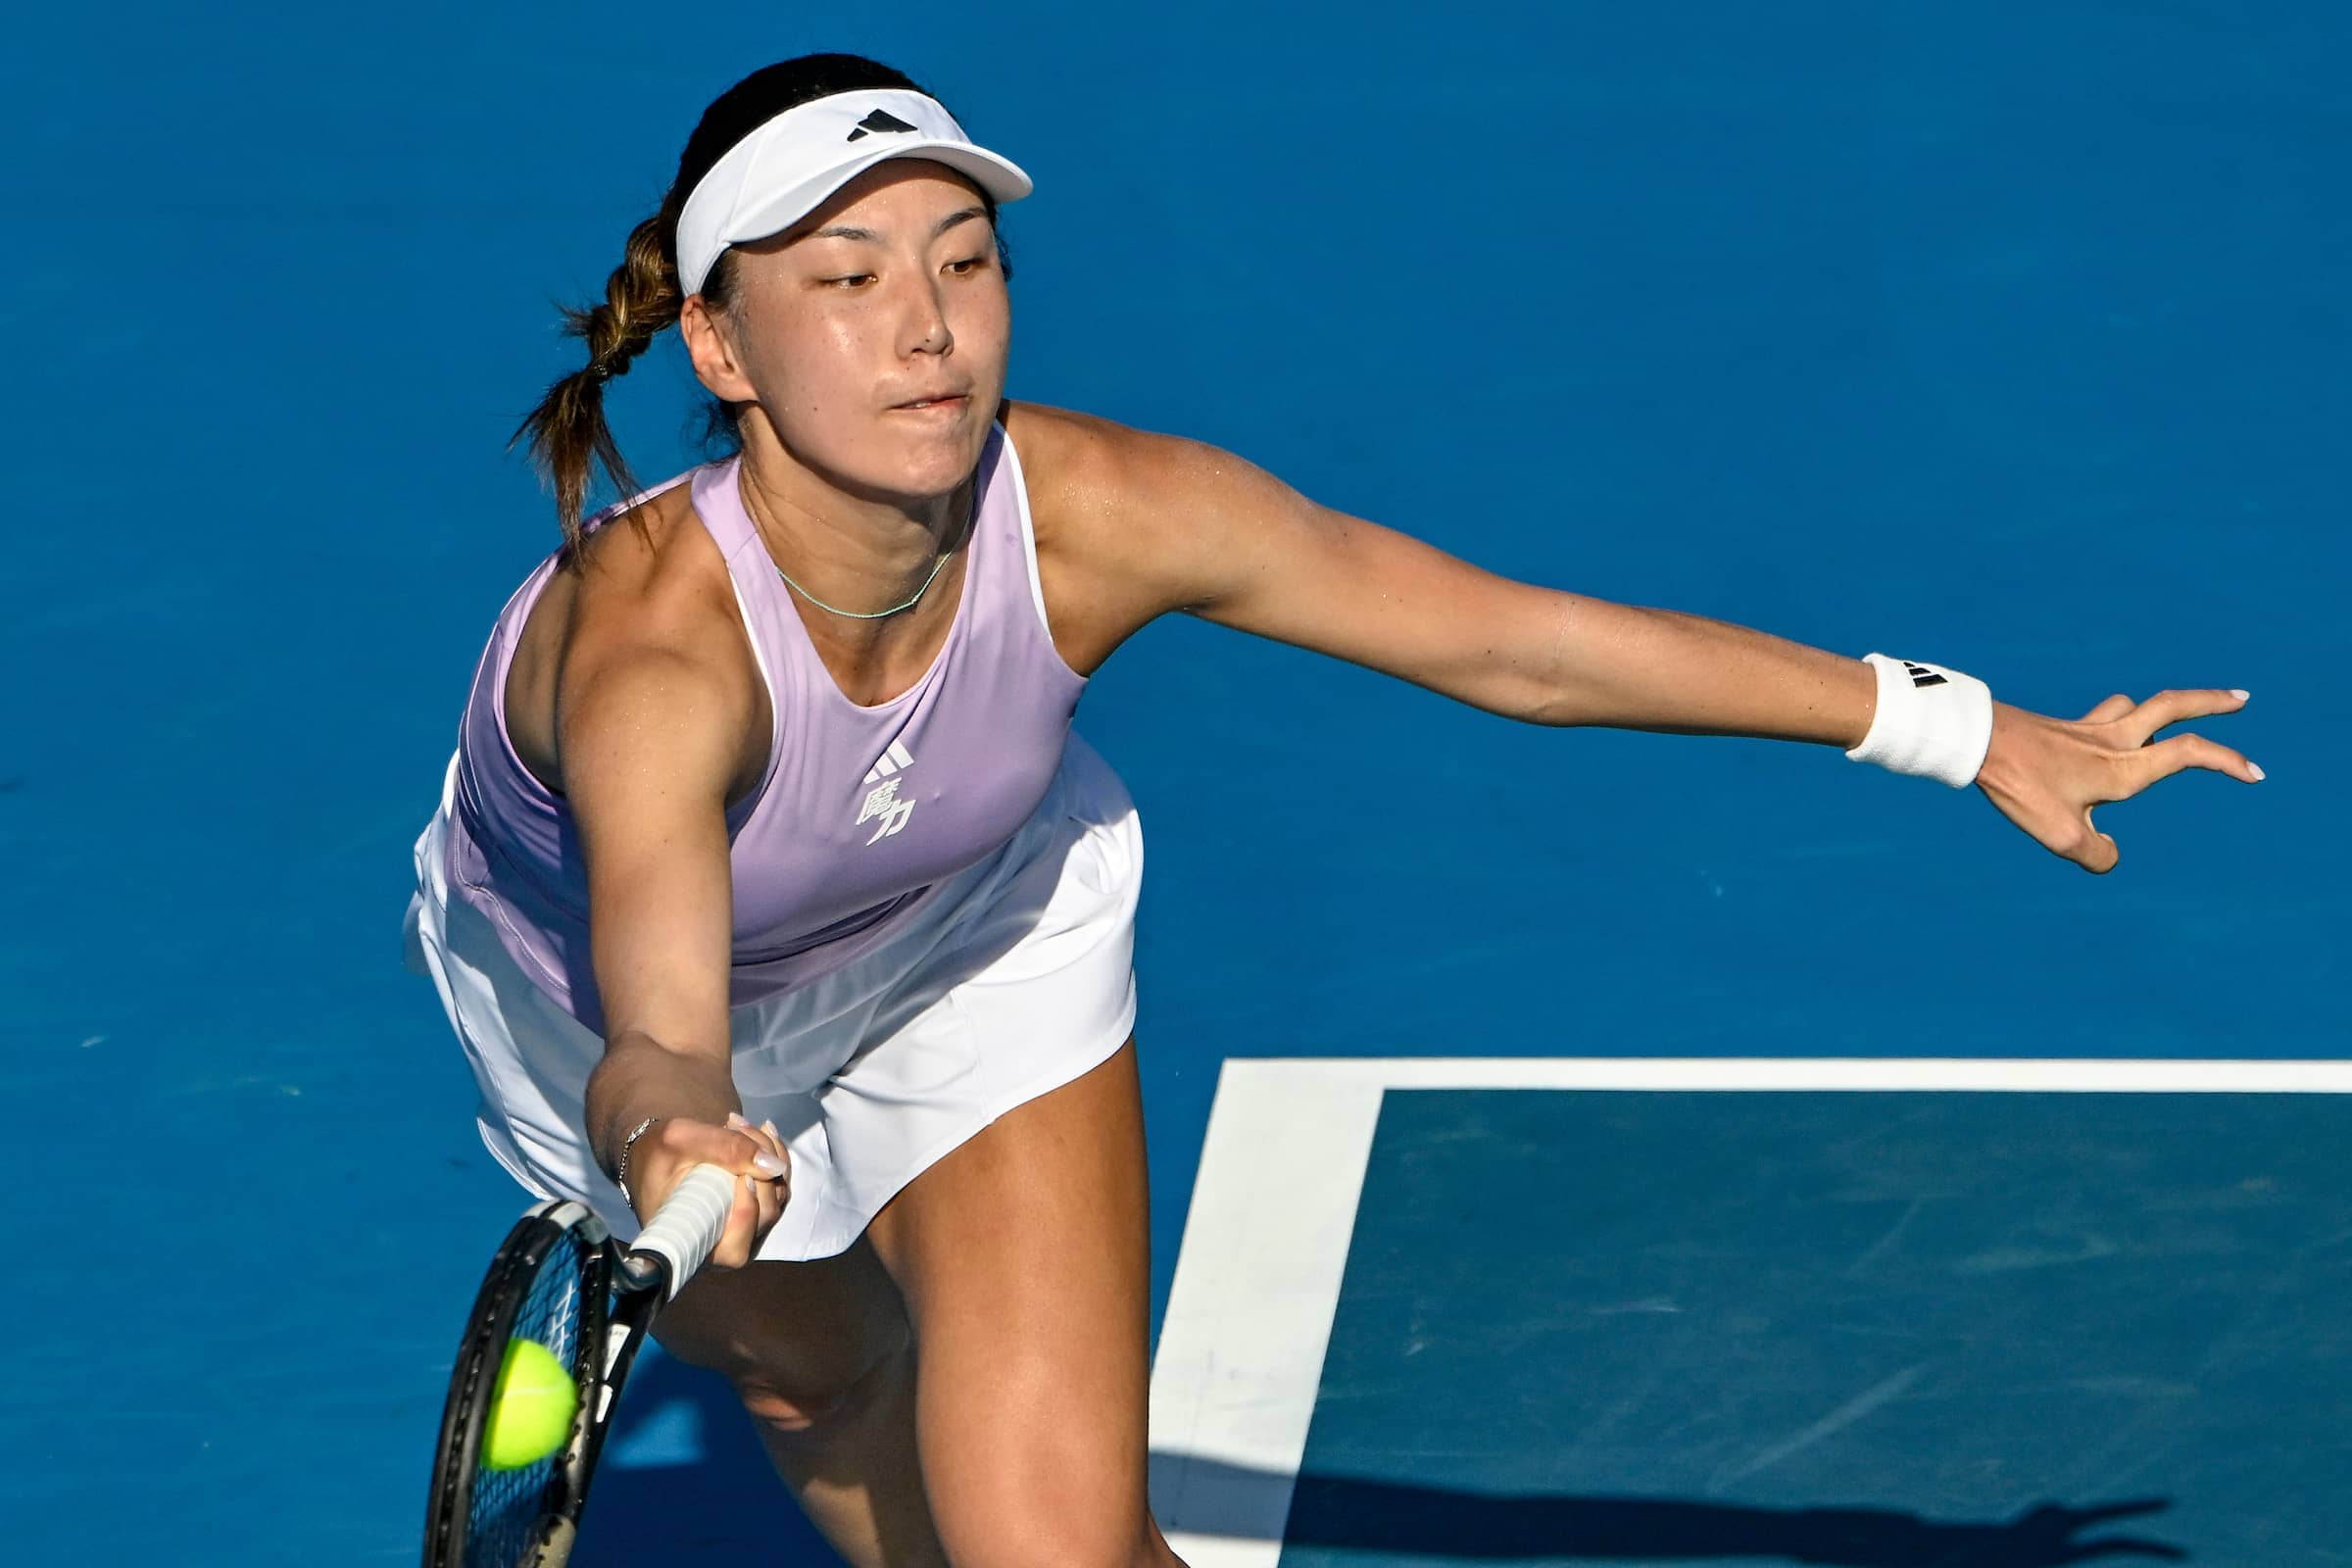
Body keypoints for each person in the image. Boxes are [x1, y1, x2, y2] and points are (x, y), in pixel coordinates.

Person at [403, 50, 2258, 1568]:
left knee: (1058, 1550)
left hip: (972, 934)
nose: (929, 331)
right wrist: (670, 1129)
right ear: (722, 350)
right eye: (849, 281)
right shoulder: (661, 662)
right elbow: (662, 1024)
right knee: (814, 1379)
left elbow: (1519, 648)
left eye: (964, 263)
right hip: (628, 1010)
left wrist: (1953, 727)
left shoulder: (1104, 515)